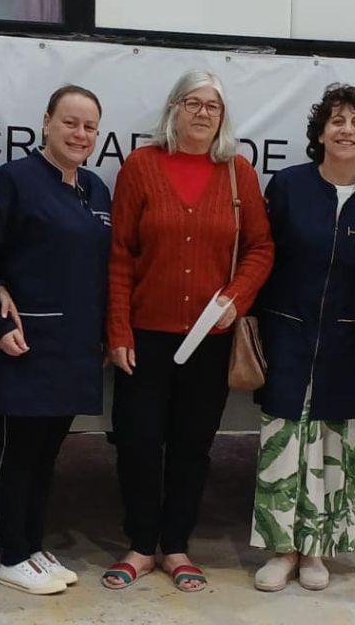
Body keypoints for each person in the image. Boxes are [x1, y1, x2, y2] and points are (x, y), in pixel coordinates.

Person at [103, 69, 274, 592]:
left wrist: (236, 297)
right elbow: (120, 255)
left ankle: (176, 546)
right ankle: (139, 546)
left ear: (223, 117)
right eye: (192, 103)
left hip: (209, 342)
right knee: (136, 442)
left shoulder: (237, 173)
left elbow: (261, 249)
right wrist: (118, 330)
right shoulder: (141, 166)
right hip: (146, 337)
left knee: (191, 447)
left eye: (213, 106)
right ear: (173, 109)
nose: (202, 113)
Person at [250, 84, 355, 592]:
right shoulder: (288, 186)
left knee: (336, 448)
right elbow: (261, 257)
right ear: (319, 132)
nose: (346, 129)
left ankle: (316, 552)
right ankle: (281, 550)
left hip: (349, 345)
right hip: (288, 334)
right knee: (285, 444)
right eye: (336, 120)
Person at [0, 86, 111, 595]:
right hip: (24, 344)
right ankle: (11, 554)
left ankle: (33, 545)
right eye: (70, 123)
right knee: (17, 452)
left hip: (74, 349)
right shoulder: (13, 181)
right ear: (47, 122)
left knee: (48, 454)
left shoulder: (96, 190)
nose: (79, 134)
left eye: (89, 126)